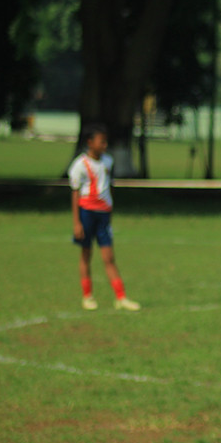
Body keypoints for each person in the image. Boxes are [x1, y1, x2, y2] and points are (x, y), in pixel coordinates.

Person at [69, 124, 140, 311]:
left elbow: (110, 186)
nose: (105, 145)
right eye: (101, 142)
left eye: (106, 141)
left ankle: (121, 297)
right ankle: (87, 296)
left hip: (104, 214)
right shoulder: (80, 165)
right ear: (90, 143)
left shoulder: (108, 162)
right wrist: (77, 222)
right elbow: (75, 194)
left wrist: (111, 209)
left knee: (109, 257)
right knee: (86, 254)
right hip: (87, 213)